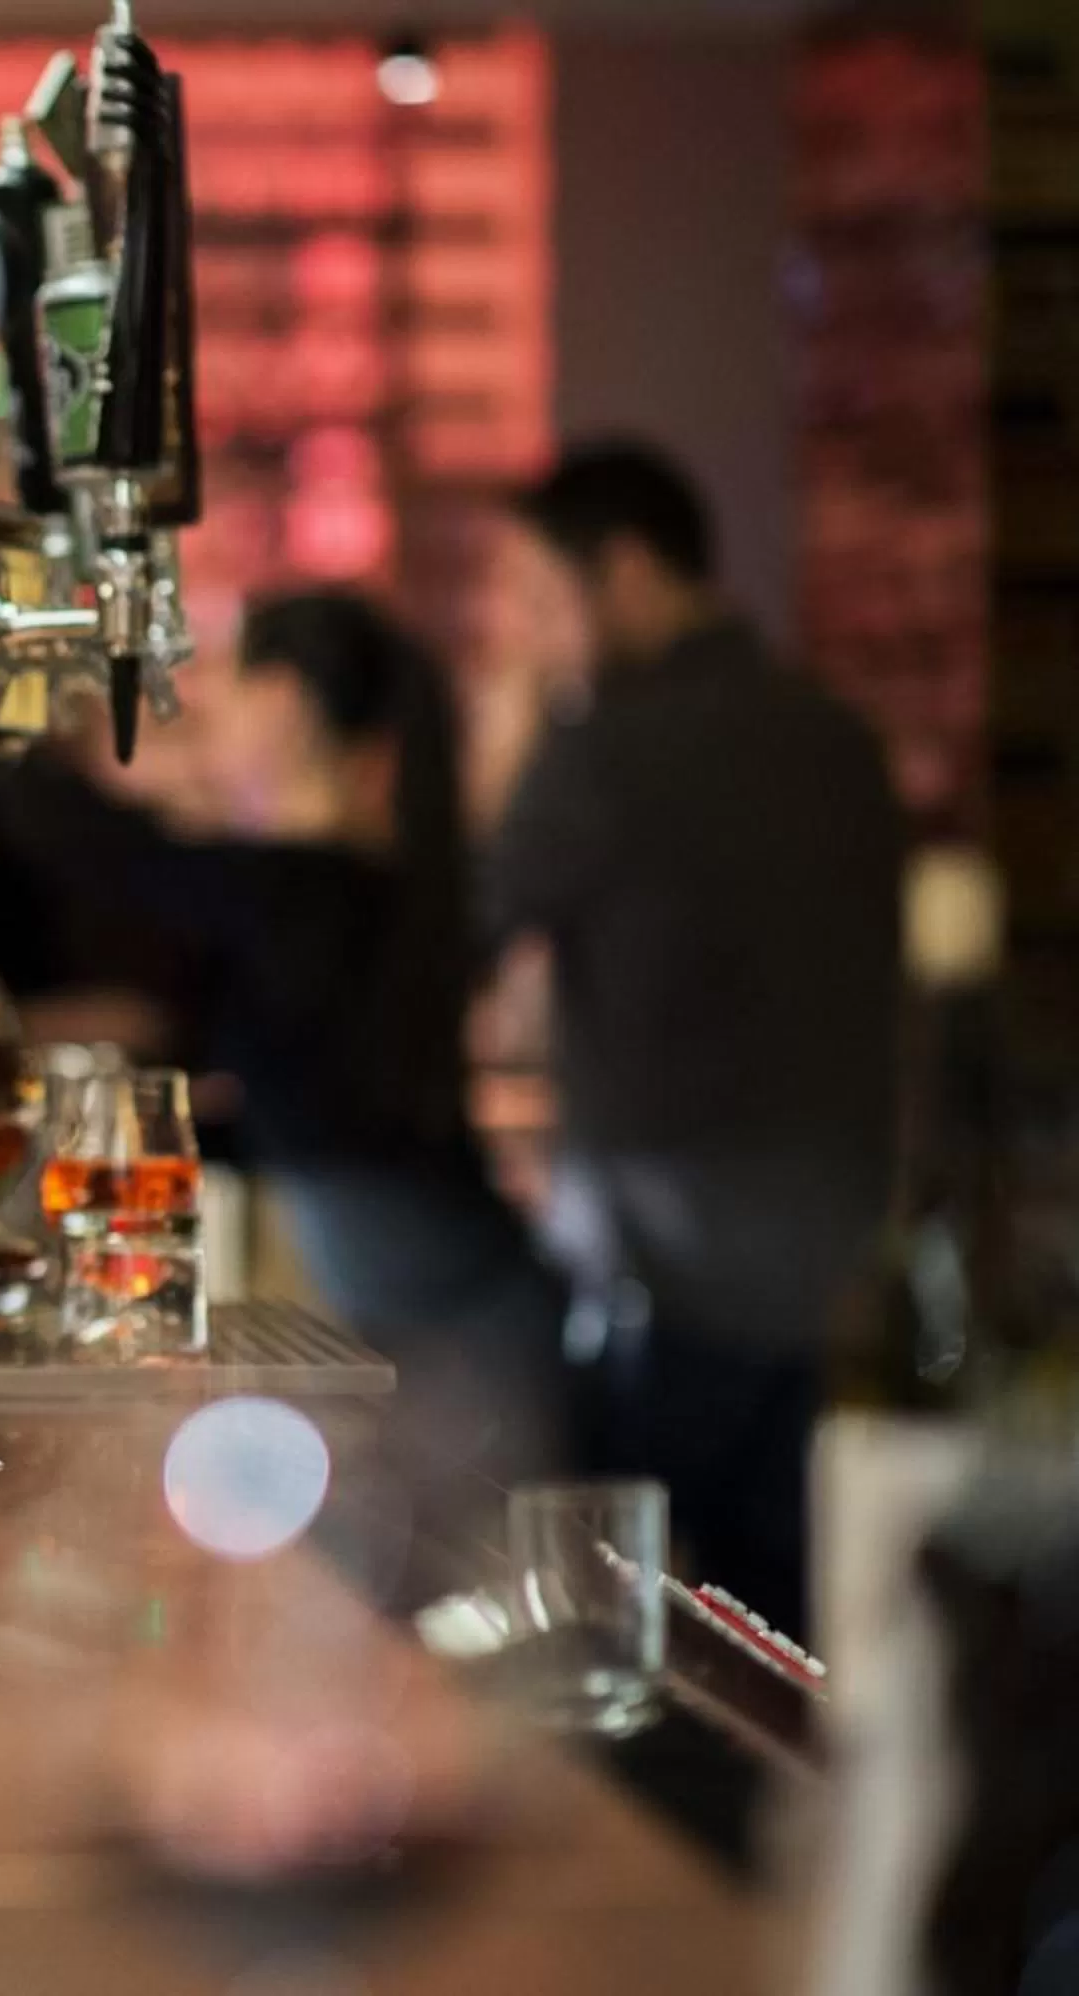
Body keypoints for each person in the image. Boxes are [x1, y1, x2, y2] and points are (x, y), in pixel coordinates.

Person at [0, 592, 567, 1482]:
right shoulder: (346, 886)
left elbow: (93, 848)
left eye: (232, 677)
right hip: (455, 1307)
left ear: (286, 700)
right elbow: (293, 1116)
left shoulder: (304, 891)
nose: (208, 704)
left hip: (462, 1340)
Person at [483, 439, 904, 1638]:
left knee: (624, 1643)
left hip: (665, 1274)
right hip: (839, 1265)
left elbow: (462, 921)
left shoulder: (603, 751)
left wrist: (516, 735)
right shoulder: (841, 740)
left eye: (539, 602)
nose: (531, 638)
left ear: (623, 571)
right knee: (793, 1649)